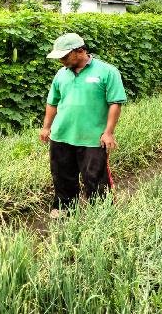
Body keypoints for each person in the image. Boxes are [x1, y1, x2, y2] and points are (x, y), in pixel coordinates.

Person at [40, 33, 127, 218]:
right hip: (61, 134)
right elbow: (52, 102)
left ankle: (101, 211)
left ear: (80, 51)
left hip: (92, 137)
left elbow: (115, 103)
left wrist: (108, 132)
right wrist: (47, 127)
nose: (61, 61)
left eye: (65, 56)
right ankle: (65, 207)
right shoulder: (61, 74)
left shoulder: (107, 71)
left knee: (95, 176)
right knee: (62, 174)